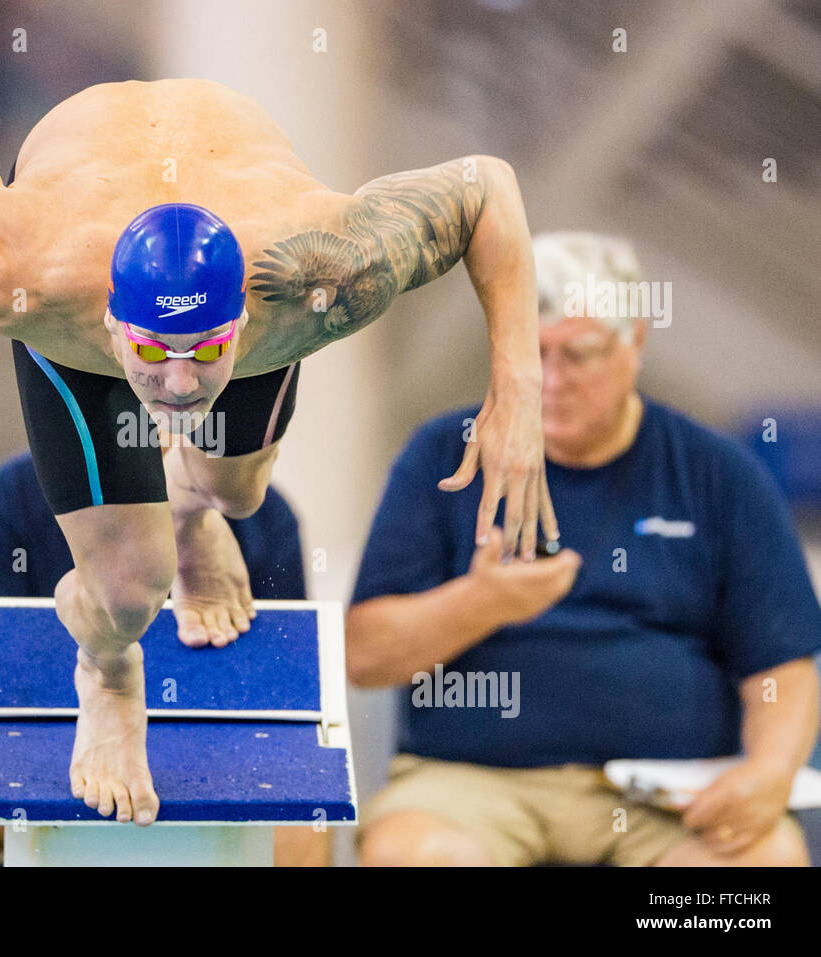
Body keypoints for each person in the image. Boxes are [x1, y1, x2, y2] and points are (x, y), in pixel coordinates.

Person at [0, 78, 560, 825]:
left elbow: (486, 187)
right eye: (151, 354)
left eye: (201, 352)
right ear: (118, 325)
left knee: (240, 495)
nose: (172, 385)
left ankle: (197, 506)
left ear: (244, 318)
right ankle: (110, 671)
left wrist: (515, 386)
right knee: (131, 583)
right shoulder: (18, 272)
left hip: (244, 207)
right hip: (79, 222)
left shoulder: (325, 273)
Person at [347, 232, 821, 867]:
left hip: (670, 795)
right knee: (417, 855)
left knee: (759, 869)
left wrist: (768, 774)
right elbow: (364, 657)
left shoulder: (718, 473)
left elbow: (782, 669)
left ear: (636, 343)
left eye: (580, 354)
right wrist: (478, 603)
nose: (550, 379)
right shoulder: (443, 454)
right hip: (471, 784)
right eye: (531, 353)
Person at [0, 450, 328, 865]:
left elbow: (285, 703)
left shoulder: (267, 517)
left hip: (216, 747)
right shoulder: (16, 493)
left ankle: (178, 519)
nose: (170, 394)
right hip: (42, 734)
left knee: (302, 818)